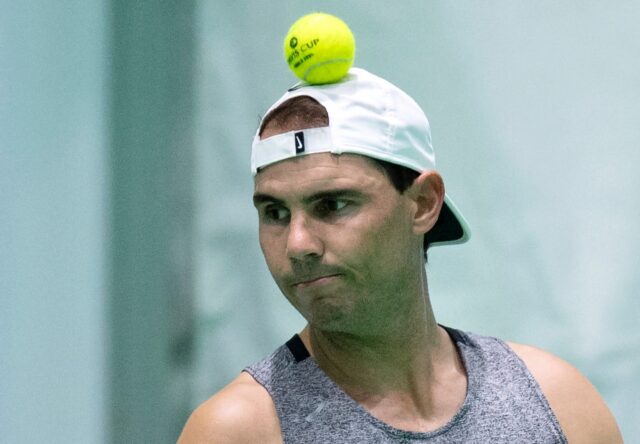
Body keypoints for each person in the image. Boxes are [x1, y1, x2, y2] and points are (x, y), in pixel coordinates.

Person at [178, 68, 622, 443]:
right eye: (274, 212)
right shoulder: (240, 430)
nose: (297, 244)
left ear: (424, 203)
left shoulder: (559, 402)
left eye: (332, 204)